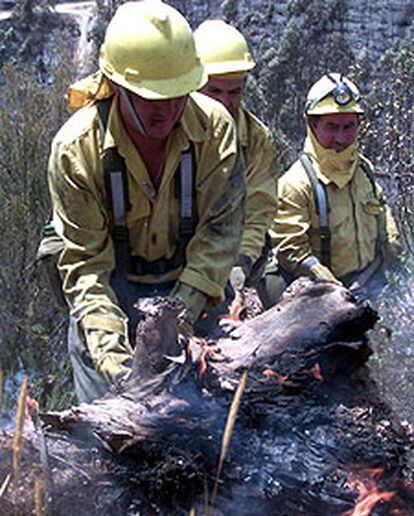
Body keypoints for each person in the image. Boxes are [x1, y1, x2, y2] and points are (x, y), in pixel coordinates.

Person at [46, 1, 246, 403]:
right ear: (116, 86)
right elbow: (86, 268)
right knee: (110, 430)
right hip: (111, 299)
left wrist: (177, 327)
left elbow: (219, 237)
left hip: (191, 287)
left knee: (208, 423)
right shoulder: (75, 151)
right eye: (153, 98)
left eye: (179, 95)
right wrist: (119, 367)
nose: (170, 110)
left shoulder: (215, 132)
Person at [261, 73, 399, 307]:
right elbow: (291, 248)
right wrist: (330, 284)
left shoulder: (363, 170)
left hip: (367, 284)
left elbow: (381, 207)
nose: (341, 137)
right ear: (313, 125)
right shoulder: (297, 183)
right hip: (314, 295)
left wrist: (391, 240)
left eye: (349, 126)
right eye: (331, 127)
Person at [193, 20, 278, 296]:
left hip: (231, 261)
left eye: (235, 92)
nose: (225, 103)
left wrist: (240, 261)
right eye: (214, 91)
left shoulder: (256, 139)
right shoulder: (173, 131)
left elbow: (258, 210)